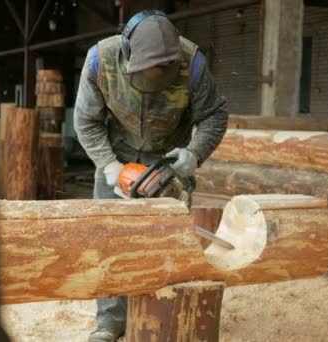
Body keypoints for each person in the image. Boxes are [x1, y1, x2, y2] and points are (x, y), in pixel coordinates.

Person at [74, 9, 228, 342]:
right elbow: (86, 122)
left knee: (167, 242)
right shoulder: (101, 60)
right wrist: (109, 165)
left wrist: (194, 153)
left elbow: (215, 116)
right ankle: (111, 323)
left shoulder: (193, 64)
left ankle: (163, 317)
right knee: (110, 241)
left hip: (168, 162)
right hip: (116, 156)